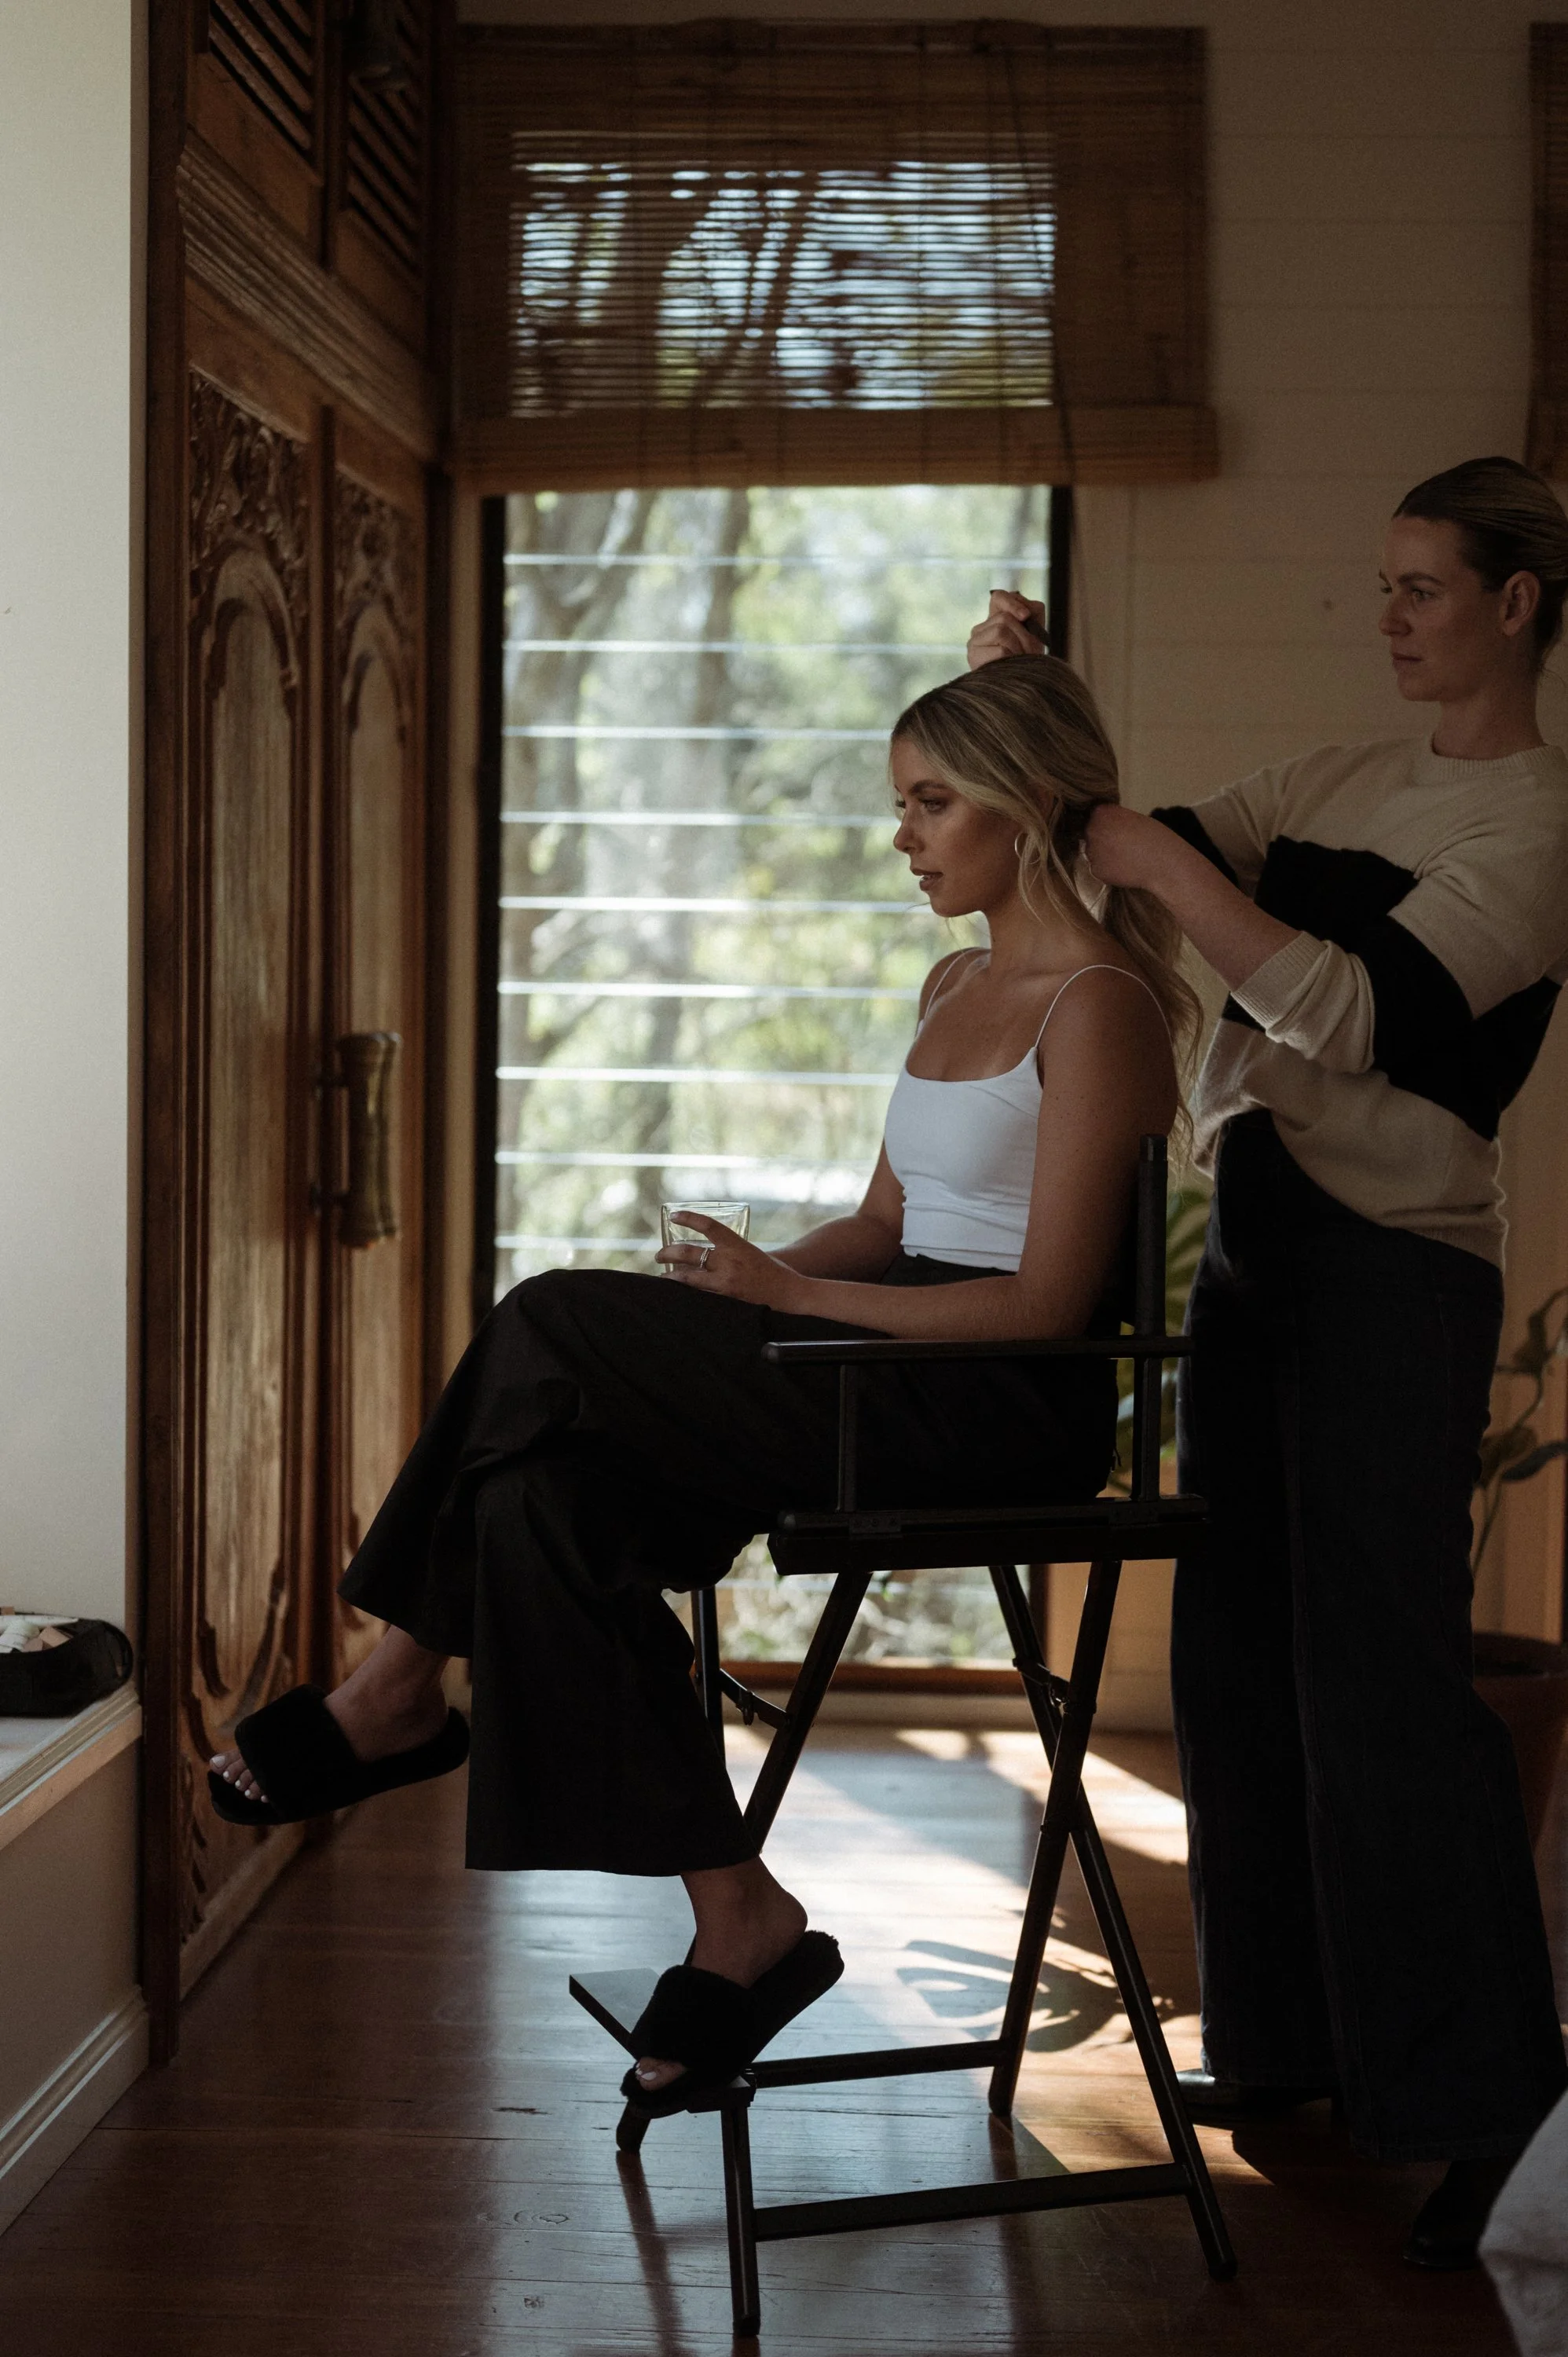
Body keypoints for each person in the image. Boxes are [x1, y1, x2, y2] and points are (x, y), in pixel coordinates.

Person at [207, 654, 1194, 2113]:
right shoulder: (956, 979)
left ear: (1030, 804)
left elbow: (1049, 1301)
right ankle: (741, 1916)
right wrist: (738, 1293)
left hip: (996, 1404)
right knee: (545, 1497)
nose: (906, 835)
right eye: (900, 804)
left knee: (547, 1317)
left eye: (932, 803)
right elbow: (886, 1221)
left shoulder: (1102, 1005)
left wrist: (785, 1304)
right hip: (876, 1359)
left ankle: (394, 1688)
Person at [969, 454, 1568, 2267]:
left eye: (1416, 590)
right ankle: (1290, 2057)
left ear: (1514, 606)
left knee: (1378, 1680)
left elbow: (1350, 1009)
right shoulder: (1333, 776)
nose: (1382, 619)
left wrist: (1153, 846)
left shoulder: (1538, 826)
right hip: (1253, 1248)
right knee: (1233, 1663)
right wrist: (1035, 687)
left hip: (1394, 1274)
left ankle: (1475, 2095)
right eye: (1380, 586)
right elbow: (1120, 865)